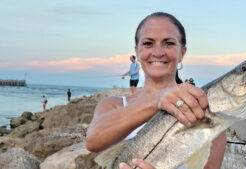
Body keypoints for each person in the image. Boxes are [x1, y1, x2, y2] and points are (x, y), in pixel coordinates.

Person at [86, 12, 226, 169]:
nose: (158, 52)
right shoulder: (113, 104)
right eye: (148, 43)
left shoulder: (203, 114)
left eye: (169, 43)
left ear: (182, 53)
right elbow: (93, 141)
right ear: (137, 52)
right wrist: (158, 99)